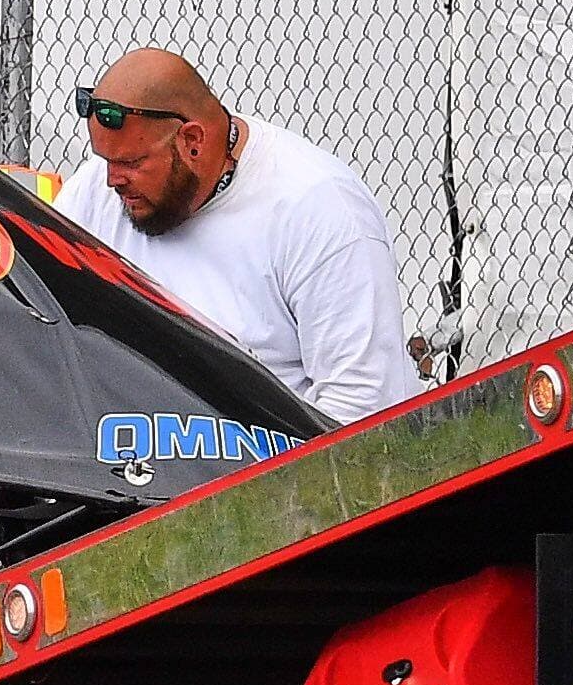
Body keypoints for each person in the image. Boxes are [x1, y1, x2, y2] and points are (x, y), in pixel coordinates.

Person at [62, 48, 413, 422]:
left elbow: (362, 407)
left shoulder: (318, 209)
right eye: (105, 160)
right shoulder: (95, 195)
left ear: (192, 140)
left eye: (131, 163)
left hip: (273, 466)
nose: (111, 180)